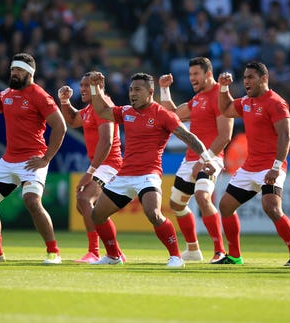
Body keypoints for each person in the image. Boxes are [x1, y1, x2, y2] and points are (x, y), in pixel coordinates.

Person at [87, 71, 218, 267]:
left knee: (153, 213)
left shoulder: (162, 114)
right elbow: (103, 111)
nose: (132, 93)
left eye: (137, 90)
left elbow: (188, 136)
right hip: (124, 175)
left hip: (148, 175)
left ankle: (176, 257)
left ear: (150, 92)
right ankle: (113, 256)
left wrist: (207, 158)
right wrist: (94, 88)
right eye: (131, 89)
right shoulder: (126, 112)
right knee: (97, 214)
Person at [0, 53, 67, 264]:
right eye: (13, 69)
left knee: (32, 201)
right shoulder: (7, 94)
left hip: (33, 160)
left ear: (30, 73)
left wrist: (46, 158)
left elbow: (60, 126)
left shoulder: (40, 95)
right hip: (9, 160)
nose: (14, 73)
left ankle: (54, 252)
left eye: (19, 70)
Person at [215, 61, 290, 266]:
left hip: (272, 165)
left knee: (271, 207)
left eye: (251, 77)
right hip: (249, 167)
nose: (246, 81)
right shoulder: (246, 101)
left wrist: (275, 166)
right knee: (226, 206)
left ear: (264, 79)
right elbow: (226, 109)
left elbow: (285, 135)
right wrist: (224, 87)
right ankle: (235, 256)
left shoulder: (276, 102)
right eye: (244, 77)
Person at [158, 57, 233, 263]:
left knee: (202, 196)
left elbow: (225, 135)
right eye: (190, 74)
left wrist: (205, 158)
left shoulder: (220, 95)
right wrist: (164, 90)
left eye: (196, 74)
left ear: (208, 74)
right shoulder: (198, 99)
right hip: (190, 159)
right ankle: (193, 250)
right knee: (176, 204)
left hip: (211, 158)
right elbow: (172, 115)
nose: (192, 78)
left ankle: (219, 251)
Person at [58, 72, 124, 263]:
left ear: (100, 85)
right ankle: (116, 251)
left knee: (84, 199)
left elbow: (107, 142)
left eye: (88, 85)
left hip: (110, 164)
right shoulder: (90, 109)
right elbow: (72, 120)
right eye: (82, 85)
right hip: (102, 164)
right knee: (87, 208)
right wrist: (64, 101)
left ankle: (94, 252)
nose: (83, 89)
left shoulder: (104, 106)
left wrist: (90, 173)